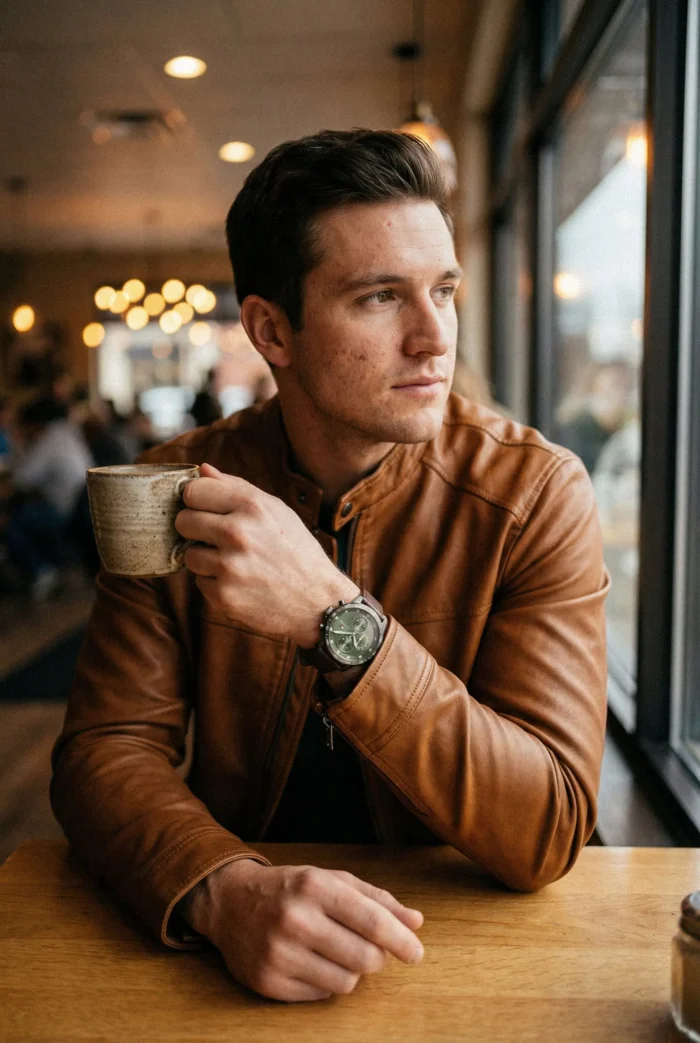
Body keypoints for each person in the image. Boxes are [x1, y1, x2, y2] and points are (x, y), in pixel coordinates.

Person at [51, 130, 609, 1004]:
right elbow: (106, 750)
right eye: (381, 297)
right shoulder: (170, 486)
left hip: (469, 945)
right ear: (271, 329)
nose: (434, 339)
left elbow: (548, 825)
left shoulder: (534, 492)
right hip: (228, 949)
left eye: (445, 290)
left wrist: (335, 618)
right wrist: (221, 889)